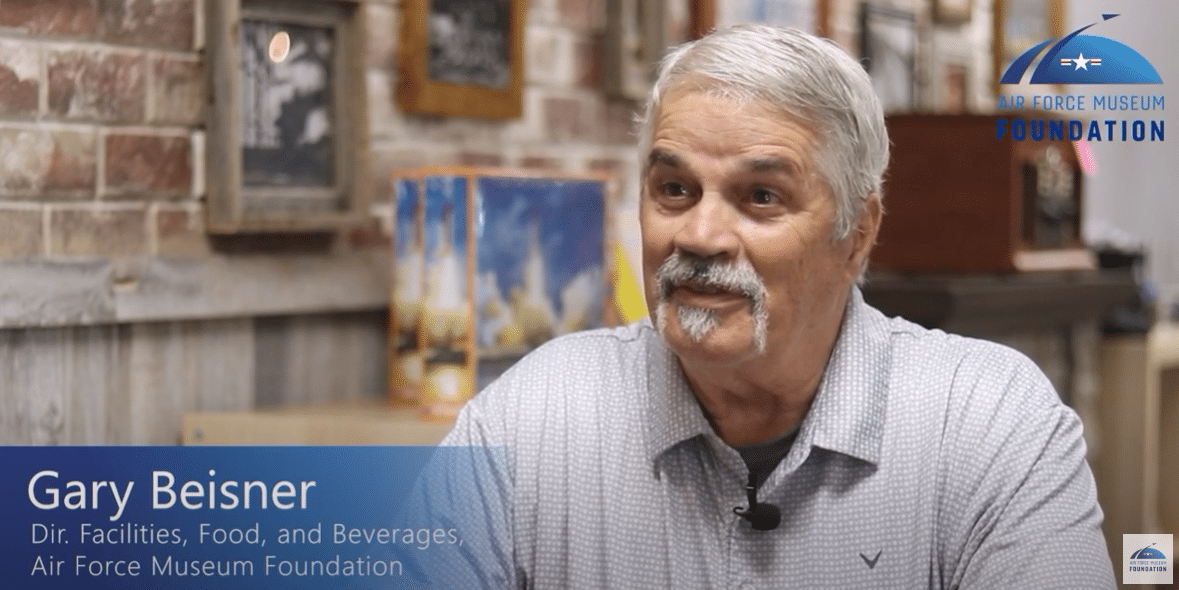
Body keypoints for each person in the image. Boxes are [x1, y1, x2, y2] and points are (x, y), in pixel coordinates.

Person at [424, 24, 1116, 589]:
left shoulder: (987, 424)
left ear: (858, 234)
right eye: (673, 189)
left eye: (761, 197)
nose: (698, 236)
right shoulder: (529, 418)